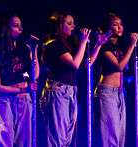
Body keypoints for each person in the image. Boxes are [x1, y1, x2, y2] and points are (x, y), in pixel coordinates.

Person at [40, 12, 91, 147]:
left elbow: (86, 64)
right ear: (59, 26)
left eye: (73, 23)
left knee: (69, 137)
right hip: (58, 91)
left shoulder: (70, 46)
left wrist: (97, 45)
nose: (73, 26)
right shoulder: (54, 45)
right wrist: (84, 42)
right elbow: (75, 64)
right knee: (58, 137)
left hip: (71, 91)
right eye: (69, 23)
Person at [0, 15, 39, 147]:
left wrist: (34, 50)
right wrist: (21, 89)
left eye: (20, 25)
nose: (20, 28)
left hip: (23, 99)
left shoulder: (24, 48)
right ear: (7, 28)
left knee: (24, 141)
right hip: (5, 99)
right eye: (16, 25)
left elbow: (34, 75)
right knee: (5, 139)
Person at [96, 13, 138, 147]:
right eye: (115, 24)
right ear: (108, 28)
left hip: (120, 92)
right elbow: (119, 66)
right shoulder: (104, 45)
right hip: (107, 93)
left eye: (121, 24)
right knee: (111, 135)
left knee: (120, 136)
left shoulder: (121, 44)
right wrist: (132, 45)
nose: (120, 27)